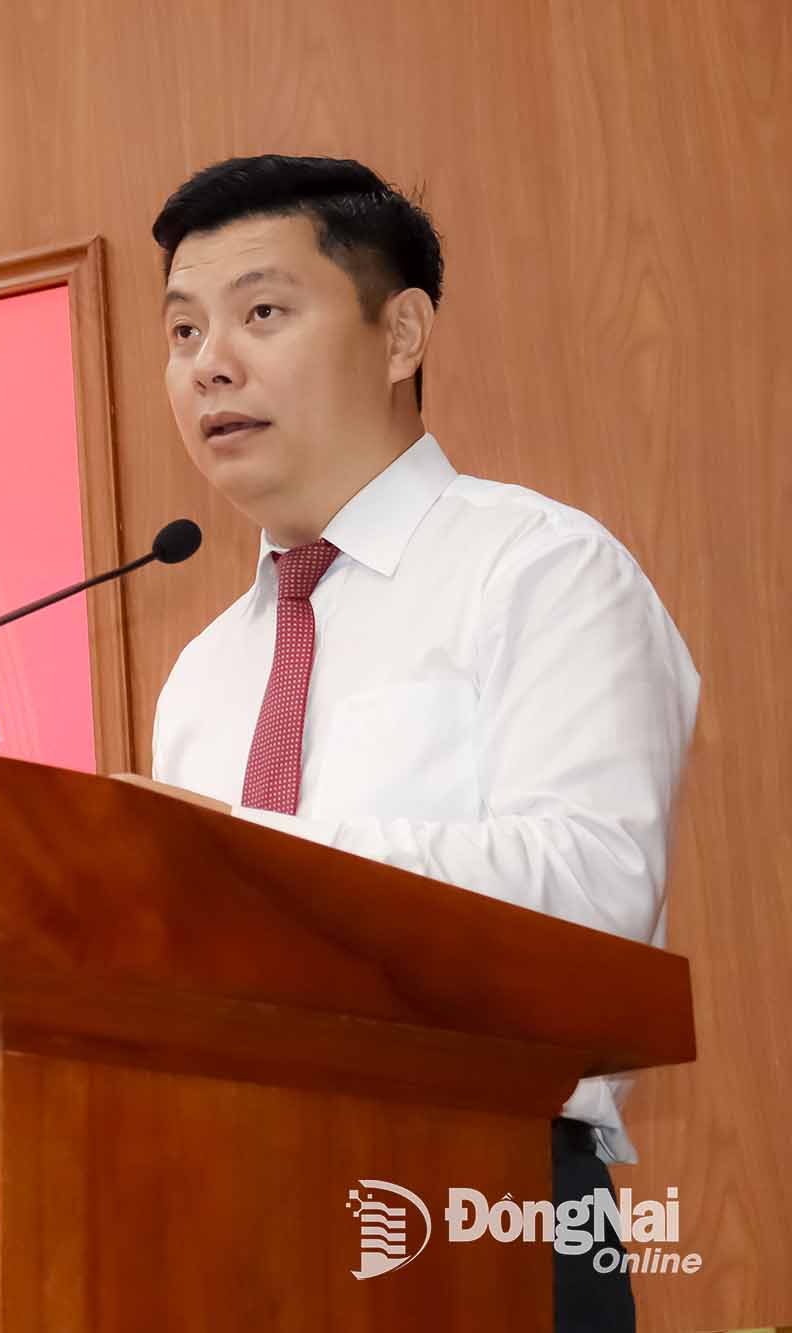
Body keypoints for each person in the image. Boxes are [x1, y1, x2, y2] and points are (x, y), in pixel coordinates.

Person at [140, 154, 698, 1333]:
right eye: (182, 330)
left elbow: (591, 901)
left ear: (400, 335)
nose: (209, 365)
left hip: (485, 1194)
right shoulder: (203, 677)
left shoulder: (540, 572)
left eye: (260, 312)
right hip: (225, 1219)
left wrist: (236, 856)